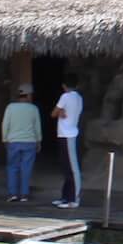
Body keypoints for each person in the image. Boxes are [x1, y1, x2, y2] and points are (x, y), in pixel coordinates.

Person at [1, 83, 43, 204]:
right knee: (26, 168)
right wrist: (39, 141)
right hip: (29, 142)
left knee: (12, 167)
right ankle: (24, 194)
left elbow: (5, 124)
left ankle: (12, 194)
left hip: (13, 142)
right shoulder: (34, 109)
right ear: (29, 95)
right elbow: (37, 127)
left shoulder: (10, 107)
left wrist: (5, 139)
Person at [53, 81, 84, 209]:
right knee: (66, 168)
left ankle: (74, 199)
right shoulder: (79, 98)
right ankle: (65, 196)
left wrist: (60, 112)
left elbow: (54, 113)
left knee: (72, 168)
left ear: (64, 85)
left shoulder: (65, 96)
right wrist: (61, 112)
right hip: (65, 134)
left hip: (68, 134)